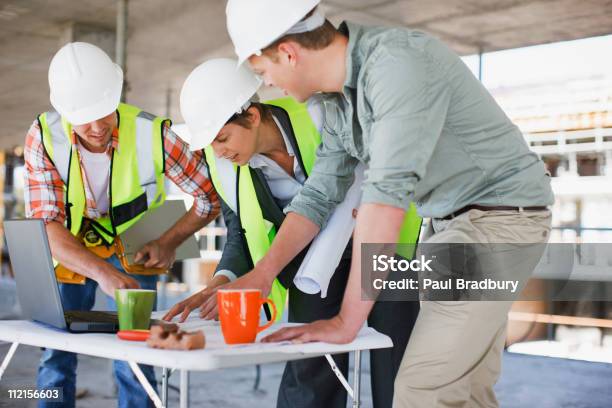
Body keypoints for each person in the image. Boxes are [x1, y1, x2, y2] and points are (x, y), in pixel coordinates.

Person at [219, 1, 555, 407]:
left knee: (420, 390)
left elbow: (386, 196)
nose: (269, 85)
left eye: (263, 72)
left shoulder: (396, 64)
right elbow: (321, 193)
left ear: (289, 53)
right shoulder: (337, 102)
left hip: (496, 224)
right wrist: (263, 273)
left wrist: (346, 323)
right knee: (465, 392)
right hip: (450, 228)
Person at [162, 58, 422, 408]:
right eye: (211, 142)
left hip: (384, 247)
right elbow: (240, 230)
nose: (218, 150)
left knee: (398, 362)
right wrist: (222, 281)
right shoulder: (223, 163)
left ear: (251, 116)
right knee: (310, 365)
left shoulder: (320, 116)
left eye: (222, 137)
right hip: (311, 266)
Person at [24, 42, 219, 408]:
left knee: (138, 352)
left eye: (104, 112)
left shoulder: (153, 134)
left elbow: (210, 197)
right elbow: (45, 226)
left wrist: (169, 241)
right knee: (54, 352)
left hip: (138, 247)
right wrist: (102, 273)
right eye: (84, 118)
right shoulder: (44, 137)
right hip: (70, 247)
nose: (97, 128)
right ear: (63, 110)